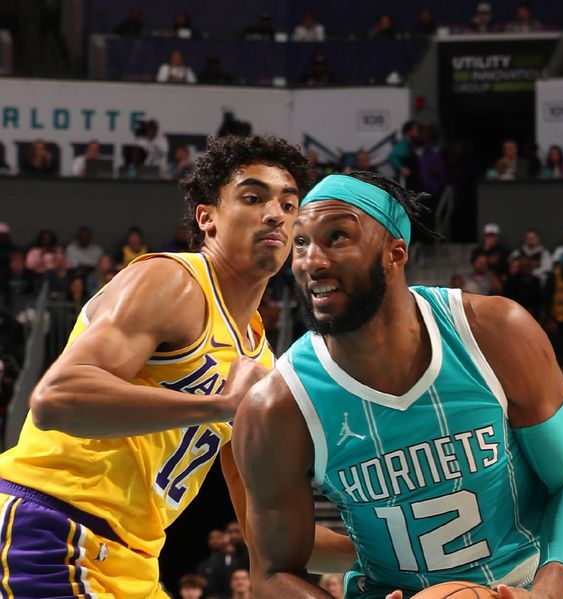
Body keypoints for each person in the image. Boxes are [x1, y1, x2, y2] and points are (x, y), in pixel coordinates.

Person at [0, 135, 353, 596]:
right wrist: (222, 404)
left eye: (289, 205)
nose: (276, 214)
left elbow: (261, 530)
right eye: (253, 197)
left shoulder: (257, 355)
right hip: (51, 525)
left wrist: (380, 551)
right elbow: (56, 400)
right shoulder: (173, 281)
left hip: (133, 561)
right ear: (207, 217)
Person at [233, 171, 563, 598]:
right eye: (301, 242)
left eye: (337, 237)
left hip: (529, 583)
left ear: (395, 252)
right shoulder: (277, 406)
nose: (312, 262)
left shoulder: (495, 332)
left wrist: (546, 593)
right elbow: (273, 571)